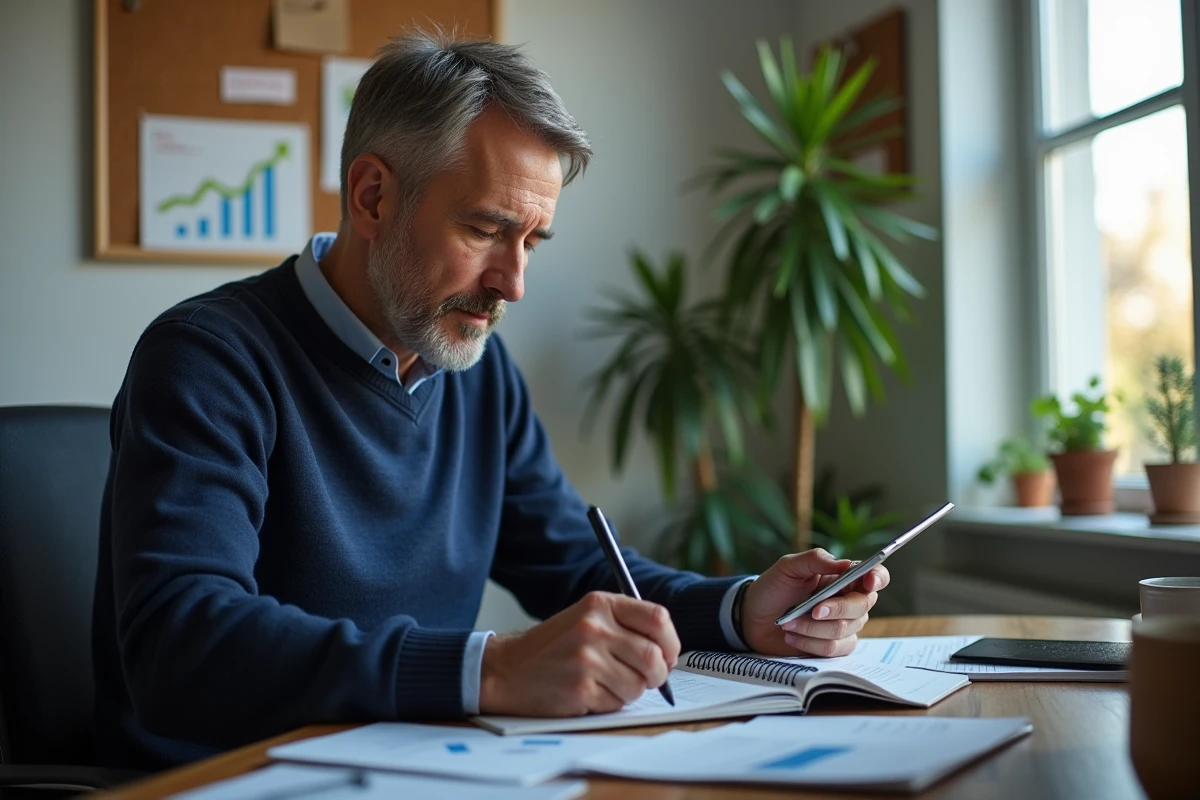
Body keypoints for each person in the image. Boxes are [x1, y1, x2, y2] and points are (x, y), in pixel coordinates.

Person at [92, 30, 890, 771]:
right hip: (233, 780)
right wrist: (490, 666)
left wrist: (745, 610)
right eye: (485, 229)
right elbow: (180, 642)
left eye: (531, 241)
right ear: (372, 197)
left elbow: (575, 564)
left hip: (418, 770)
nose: (512, 283)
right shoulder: (209, 356)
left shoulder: (480, 368)